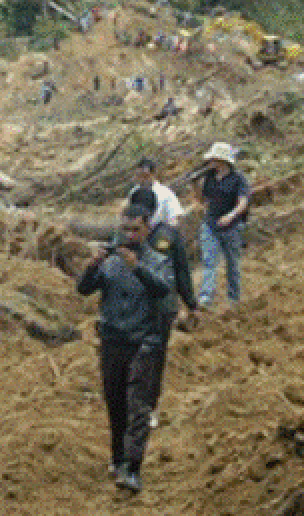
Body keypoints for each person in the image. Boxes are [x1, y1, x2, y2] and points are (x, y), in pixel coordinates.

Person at [76, 205, 171, 493]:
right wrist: (92, 265)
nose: (129, 235)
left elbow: (163, 289)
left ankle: (132, 467)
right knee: (115, 402)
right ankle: (118, 458)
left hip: (143, 342)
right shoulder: (110, 262)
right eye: (125, 229)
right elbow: (83, 289)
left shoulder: (157, 260)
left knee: (138, 407)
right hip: (112, 342)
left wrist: (137, 267)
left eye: (136, 230)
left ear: (147, 230)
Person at [129, 186, 197, 423]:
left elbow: (180, 269)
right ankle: (146, 405)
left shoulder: (162, 236)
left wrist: (190, 303)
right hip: (156, 306)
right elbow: (182, 270)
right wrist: (190, 303)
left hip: (153, 306)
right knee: (153, 356)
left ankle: (146, 405)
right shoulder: (141, 235)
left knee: (150, 355)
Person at [196, 142, 250, 310]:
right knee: (209, 261)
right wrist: (195, 186)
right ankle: (206, 297)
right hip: (211, 224)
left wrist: (231, 216)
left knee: (232, 263)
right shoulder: (209, 178)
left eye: (213, 159)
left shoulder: (238, 179)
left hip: (232, 227)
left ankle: (234, 299)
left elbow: (243, 203)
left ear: (221, 160)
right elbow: (202, 200)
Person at [127, 157, 184, 229]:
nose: (142, 179)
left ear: (153, 174)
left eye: (145, 176)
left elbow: (175, 217)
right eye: (139, 175)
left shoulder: (165, 193)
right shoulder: (133, 192)